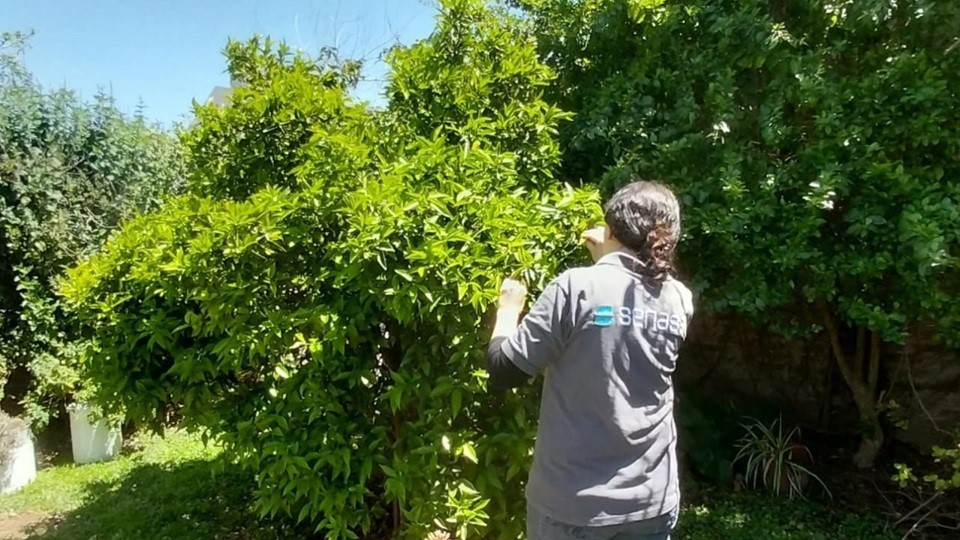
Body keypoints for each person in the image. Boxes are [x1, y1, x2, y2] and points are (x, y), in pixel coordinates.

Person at [485, 180, 694, 540]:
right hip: (651, 503)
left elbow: (504, 370)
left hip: (574, 508)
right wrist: (610, 258)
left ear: (610, 227)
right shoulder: (679, 298)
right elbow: (626, 306)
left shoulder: (575, 287)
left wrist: (507, 310)